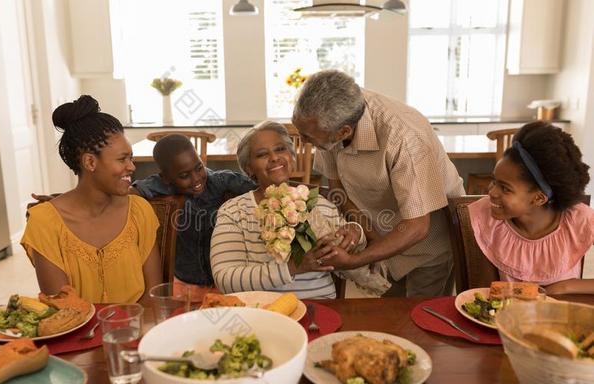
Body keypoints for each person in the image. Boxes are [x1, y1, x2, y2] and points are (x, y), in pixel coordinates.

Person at [292, 70, 465, 297]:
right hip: (385, 237)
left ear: (344, 131)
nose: (304, 143)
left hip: (427, 247)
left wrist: (355, 260)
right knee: (390, 318)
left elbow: (417, 226)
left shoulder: (404, 137)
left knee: (421, 322)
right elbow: (339, 190)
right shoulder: (327, 121)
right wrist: (371, 239)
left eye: (308, 138)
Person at [210, 121, 390, 299]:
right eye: (262, 154)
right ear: (249, 168)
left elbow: (349, 252)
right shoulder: (234, 211)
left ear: (292, 156)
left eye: (280, 149)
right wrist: (293, 267)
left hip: (320, 307)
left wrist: (355, 231)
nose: (274, 158)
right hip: (263, 310)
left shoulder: (319, 204)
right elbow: (225, 279)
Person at [21, 95, 162, 304]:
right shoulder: (45, 222)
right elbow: (63, 309)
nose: (132, 167)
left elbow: (153, 297)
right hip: (75, 334)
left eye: (131, 158)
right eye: (123, 159)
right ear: (90, 162)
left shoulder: (139, 211)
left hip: (137, 330)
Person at [468, 121, 594, 294]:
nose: (491, 192)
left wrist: (566, 286)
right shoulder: (484, 217)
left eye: (505, 188)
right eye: (494, 181)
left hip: (563, 317)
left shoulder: (580, 219)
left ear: (539, 198)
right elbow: (482, 291)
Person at [131, 134, 256, 301]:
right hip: (184, 283)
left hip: (220, 282)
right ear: (166, 178)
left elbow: (258, 188)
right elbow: (133, 191)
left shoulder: (218, 181)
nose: (196, 179)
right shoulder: (161, 184)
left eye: (199, 168)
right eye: (184, 176)